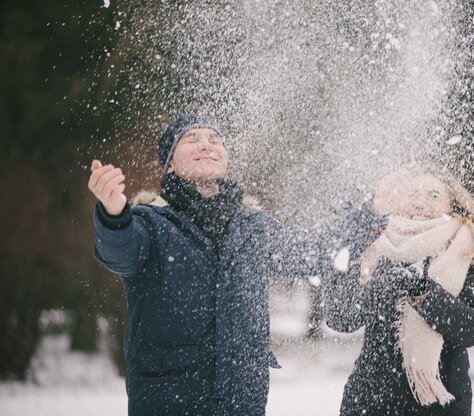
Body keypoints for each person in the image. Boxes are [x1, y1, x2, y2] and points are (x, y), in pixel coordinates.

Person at [89, 114, 388, 416]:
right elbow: (118, 252)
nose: (206, 144)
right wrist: (113, 214)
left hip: (243, 404)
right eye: (192, 139)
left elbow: (321, 251)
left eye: (214, 139)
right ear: (170, 165)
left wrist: (373, 213)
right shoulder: (148, 222)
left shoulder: (254, 228)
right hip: (168, 402)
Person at [324, 167, 474, 416]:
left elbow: (472, 329)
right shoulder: (377, 245)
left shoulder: (468, 251)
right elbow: (341, 318)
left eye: (433, 196)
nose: (420, 203)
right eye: (412, 194)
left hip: (437, 403)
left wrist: (424, 292)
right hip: (370, 400)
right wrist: (347, 245)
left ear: (452, 206)